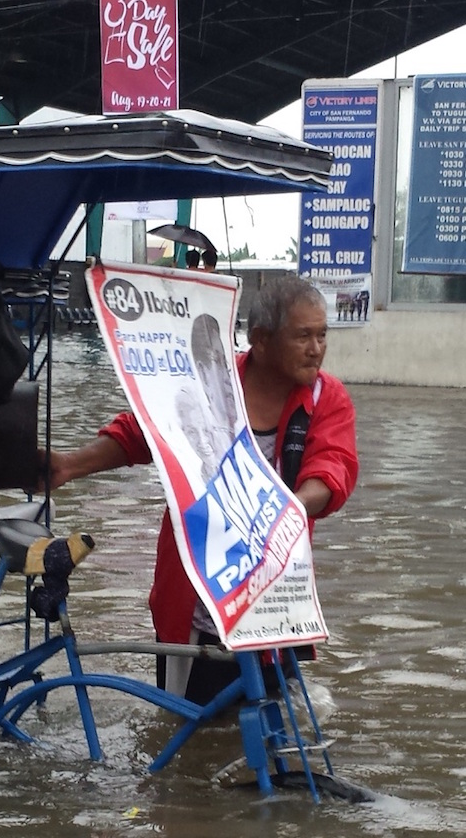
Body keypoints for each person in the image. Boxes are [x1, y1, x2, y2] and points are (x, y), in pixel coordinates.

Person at [41, 272, 358, 696]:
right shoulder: (210, 382)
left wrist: (289, 508)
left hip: (278, 599)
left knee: (270, 730)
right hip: (195, 599)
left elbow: (333, 468)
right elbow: (143, 431)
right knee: (184, 729)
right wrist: (68, 466)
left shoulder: (326, 397)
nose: (316, 349)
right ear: (261, 340)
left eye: (322, 335)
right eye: (303, 336)